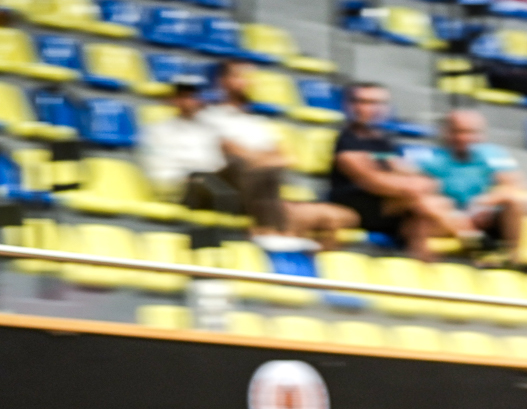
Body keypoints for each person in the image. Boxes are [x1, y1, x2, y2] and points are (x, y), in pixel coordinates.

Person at [202, 60, 356, 249]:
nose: (247, 81)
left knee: (340, 217)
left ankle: (278, 233)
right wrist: (263, 158)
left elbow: (286, 158)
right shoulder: (210, 116)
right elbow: (237, 155)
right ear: (223, 81)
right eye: (239, 75)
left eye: (250, 77)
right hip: (218, 189)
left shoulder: (257, 123)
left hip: (256, 192)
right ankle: (271, 229)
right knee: (246, 166)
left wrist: (261, 158)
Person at [328, 83, 478, 263]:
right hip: (357, 205)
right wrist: (411, 186)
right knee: (421, 201)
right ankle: (472, 241)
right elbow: (371, 181)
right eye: (364, 102)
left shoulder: (383, 142)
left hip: (388, 206)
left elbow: (409, 173)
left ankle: (425, 269)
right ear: (350, 106)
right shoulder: (348, 141)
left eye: (378, 103)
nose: (372, 109)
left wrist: (414, 184)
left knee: (423, 217)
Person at [413, 109, 527, 259]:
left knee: (518, 201)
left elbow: (516, 184)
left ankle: (513, 259)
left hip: (486, 217)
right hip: (450, 218)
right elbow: (420, 193)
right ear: (447, 132)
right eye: (459, 132)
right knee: (421, 215)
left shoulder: (494, 155)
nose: (465, 138)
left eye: (471, 132)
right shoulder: (431, 160)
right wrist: (452, 215)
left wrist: (487, 201)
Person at [138, 78, 225, 207]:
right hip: (181, 187)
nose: (188, 102)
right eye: (183, 97)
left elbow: (217, 165)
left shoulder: (209, 131)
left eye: (193, 97)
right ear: (173, 100)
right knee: (221, 192)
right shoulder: (156, 131)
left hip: (209, 183)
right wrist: (183, 179)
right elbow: (157, 170)